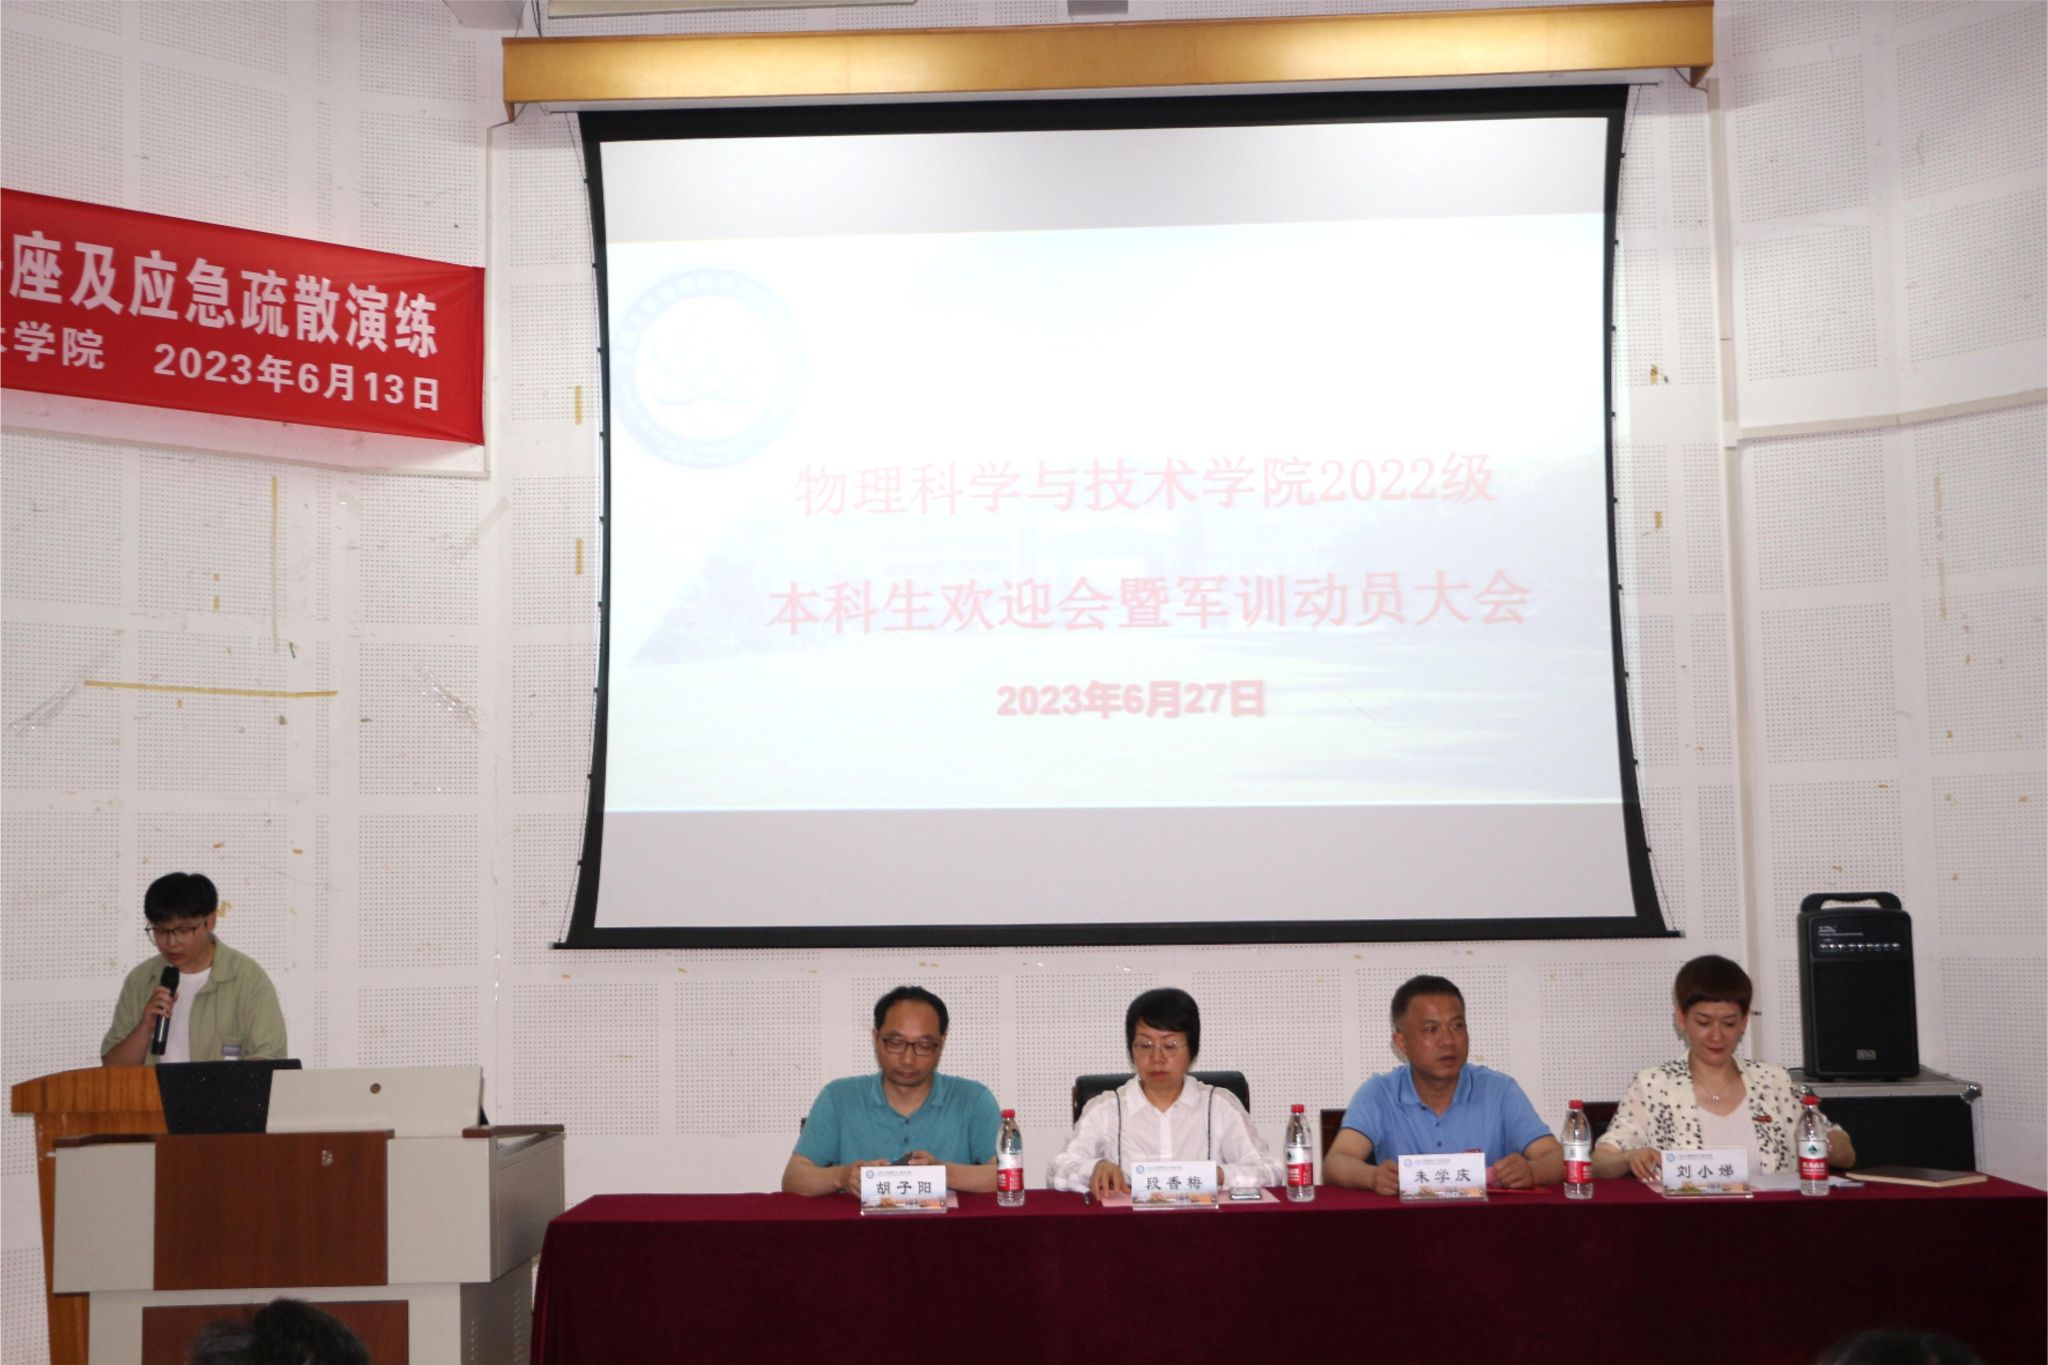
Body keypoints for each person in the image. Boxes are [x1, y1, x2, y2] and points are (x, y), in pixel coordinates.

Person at [1592, 954, 1855, 1181]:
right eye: (1703, 1022)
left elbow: (1845, 1152)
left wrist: (1827, 1146)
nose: (1717, 1036)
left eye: (1729, 1023)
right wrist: (1629, 1158)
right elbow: (1600, 1163)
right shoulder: (1654, 1085)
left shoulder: (1773, 1080)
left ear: (1744, 1022)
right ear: (1681, 1018)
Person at [1325, 974, 1562, 1193]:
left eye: (1457, 1026)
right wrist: (1372, 1176)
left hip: (1485, 1221)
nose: (1448, 1040)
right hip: (1406, 1222)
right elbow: (1336, 1162)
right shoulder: (1379, 1093)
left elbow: (1557, 1158)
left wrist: (1532, 1171)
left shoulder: (1499, 1091)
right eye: (1431, 1029)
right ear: (1401, 1042)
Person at [1046, 987, 1283, 1199]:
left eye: (1170, 1046)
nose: (1157, 1057)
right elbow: (1057, 1172)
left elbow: (1270, 1171)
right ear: (1131, 1050)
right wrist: (1094, 1168)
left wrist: (1219, 1175)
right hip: (1127, 1228)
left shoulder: (1219, 1105)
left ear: (1193, 1050)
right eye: (1145, 1045)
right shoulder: (1106, 1108)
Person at [781, 985, 1002, 1195]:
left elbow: (1006, 1174)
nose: (908, 1059)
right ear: (876, 1038)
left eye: (924, 1046)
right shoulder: (839, 1098)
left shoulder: (973, 1100)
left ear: (941, 1044)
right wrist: (841, 1177)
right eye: (895, 1043)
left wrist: (943, 1173)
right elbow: (794, 1177)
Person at [102, 872, 286, 1067]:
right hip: (153, 1088)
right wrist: (145, 1026)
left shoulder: (247, 978)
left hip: (222, 1088)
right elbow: (113, 1069)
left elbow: (269, 1059)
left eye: (183, 930)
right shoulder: (141, 979)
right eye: (161, 931)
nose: (171, 943)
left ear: (210, 921)